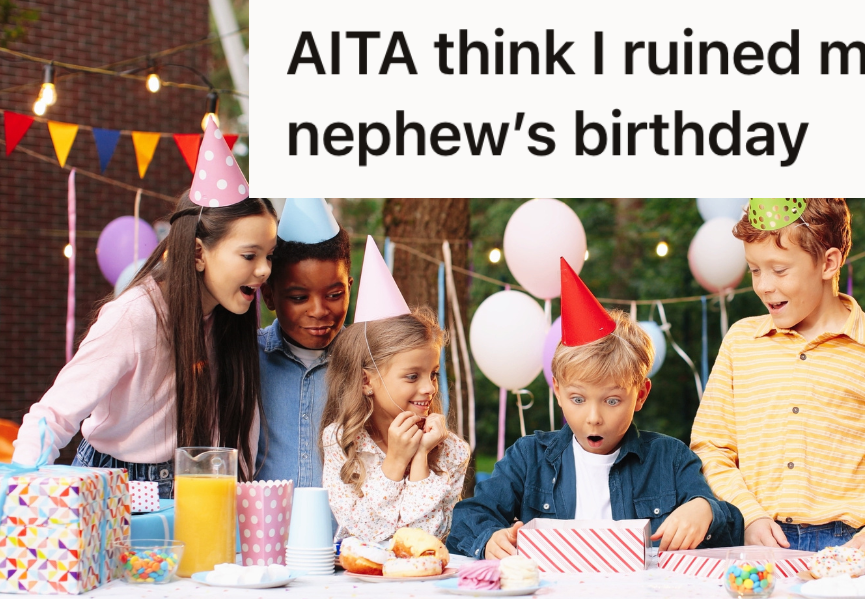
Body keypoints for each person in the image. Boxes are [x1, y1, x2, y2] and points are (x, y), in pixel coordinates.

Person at [11, 122, 275, 495]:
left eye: (269, 256)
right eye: (250, 255)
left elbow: (238, 432)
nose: (264, 270)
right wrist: (21, 499)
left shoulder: (229, 325)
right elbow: (53, 415)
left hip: (189, 486)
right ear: (198, 253)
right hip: (111, 484)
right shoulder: (135, 316)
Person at [448, 259, 743, 559]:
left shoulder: (670, 459)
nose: (593, 418)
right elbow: (467, 518)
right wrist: (490, 539)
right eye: (578, 399)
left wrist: (705, 510)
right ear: (558, 393)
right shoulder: (528, 458)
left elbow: (732, 528)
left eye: (612, 401)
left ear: (640, 395)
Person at [690, 198, 865, 553]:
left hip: (851, 547)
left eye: (779, 270)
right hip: (756, 543)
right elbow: (711, 448)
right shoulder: (740, 342)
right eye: (755, 270)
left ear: (828, 263)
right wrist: (749, 516)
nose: (763, 286)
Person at [320, 237, 469, 543]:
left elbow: (425, 540)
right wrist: (395, 463)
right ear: (366, 381)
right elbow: (363, 533)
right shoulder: (343, 442)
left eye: (433, 374)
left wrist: (421, 458)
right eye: (412, 376)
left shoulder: (450, 450)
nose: (429, 388)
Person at [256, 198, 352, 486]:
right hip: (263, 515)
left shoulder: (366, 362)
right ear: (269, 295)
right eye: (299, 298)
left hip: (343, 518)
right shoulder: (249, 358)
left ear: (349, 288)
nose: (319, 310)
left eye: (334, 295)